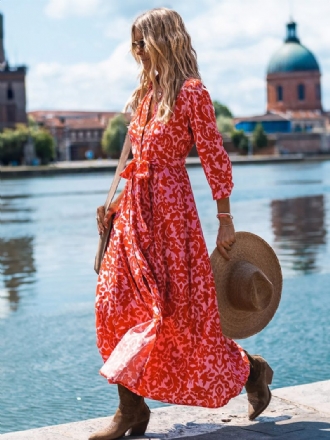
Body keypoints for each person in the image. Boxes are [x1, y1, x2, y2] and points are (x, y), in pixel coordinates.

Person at [91, 8, 273, 440]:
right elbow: (136, 161)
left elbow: (214, 157)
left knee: (182, 322)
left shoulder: (192, 93)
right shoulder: (143, 96)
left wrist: (225, 220)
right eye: (133, 43)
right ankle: (131, 409)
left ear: (162, 41)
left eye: (141, 42)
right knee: (111, 304)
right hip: (134, 214)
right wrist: (113, 203)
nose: (135, 51)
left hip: (172, 217)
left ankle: (251, 370)